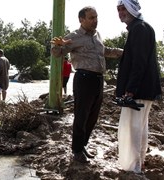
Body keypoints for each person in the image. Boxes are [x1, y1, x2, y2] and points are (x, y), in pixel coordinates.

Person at [51, 6, 123, 163]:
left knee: (93, 117)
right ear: (81, 20)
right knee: (81, 116)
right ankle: (77, 150)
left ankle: (82, 145)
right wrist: (57, 45)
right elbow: (57, 54)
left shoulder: (97, 35)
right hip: (83, 79)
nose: (95, 20)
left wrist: (122, 52)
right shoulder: (74, 36)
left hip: (98, 80)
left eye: (96, 17)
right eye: (91, 18)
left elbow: (105, 51)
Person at [116, 0, 162, 173]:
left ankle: (134, 168)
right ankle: (139, 165)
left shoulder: (139, 29)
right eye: (118, 9)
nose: (120, 13)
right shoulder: (140, 28)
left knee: (133, 129)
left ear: (131, 9)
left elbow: (139, 63)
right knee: (140, 128)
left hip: (138, 90)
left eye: (123, 9)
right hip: (143, 89)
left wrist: (130, 89)